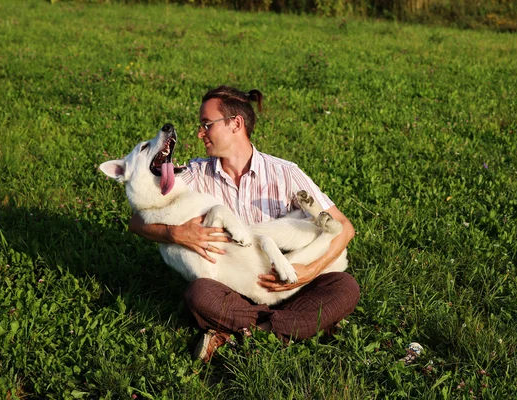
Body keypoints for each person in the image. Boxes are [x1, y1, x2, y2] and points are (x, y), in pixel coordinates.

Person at [129, 86, 360, 362]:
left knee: (345, 287)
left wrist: (310, 270)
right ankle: (286, 327)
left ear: (235, 123)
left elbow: (344, 227)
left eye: (206, 125)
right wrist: (174, 233)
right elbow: (137, 222)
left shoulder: (285, 173)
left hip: (292, 278)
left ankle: (236, 330)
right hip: (233, 287)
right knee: (199, 293)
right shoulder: (195, 174)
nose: (200, 133)